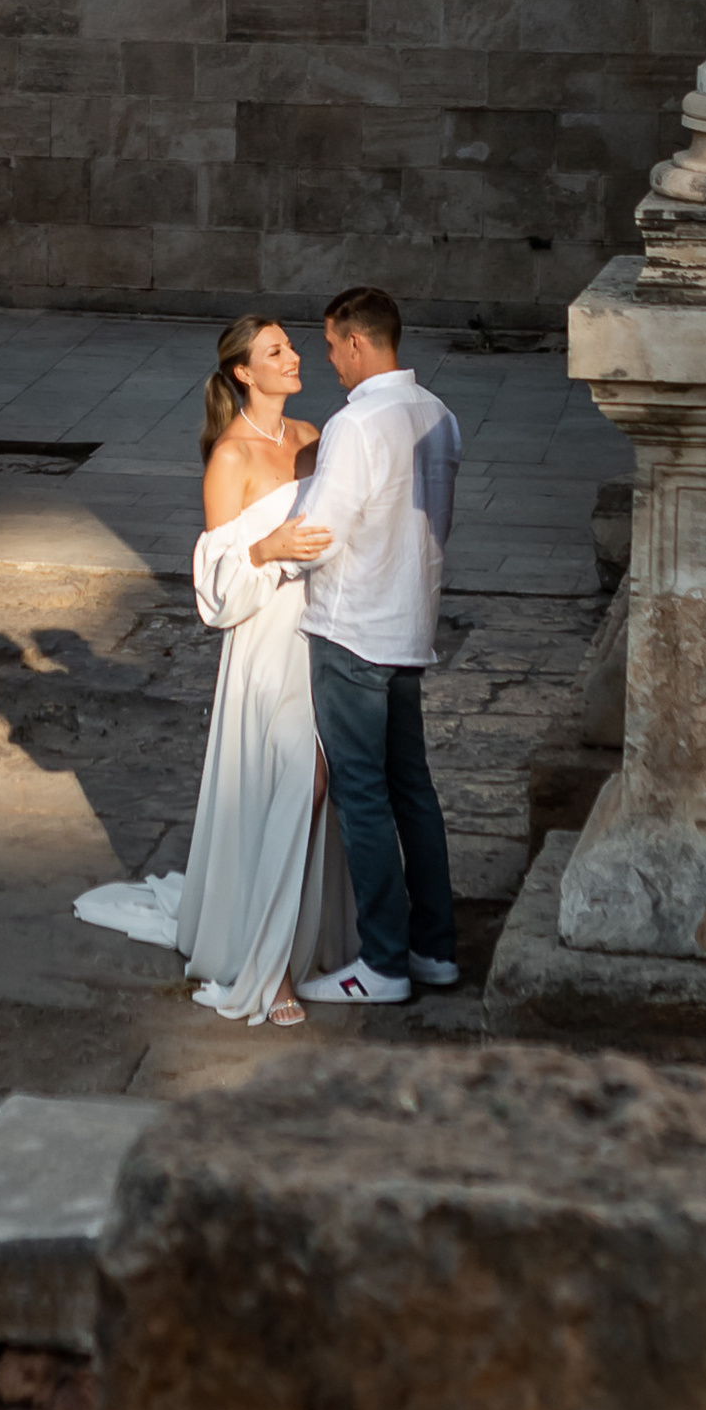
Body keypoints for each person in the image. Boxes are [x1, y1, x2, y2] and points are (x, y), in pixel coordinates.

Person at [73, 315, 356, 1025]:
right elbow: (216, 587)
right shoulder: (230, 458)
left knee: (322, 784)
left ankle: (303, 937)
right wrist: (267, 549)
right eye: (276, 351)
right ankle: (269, 969)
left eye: (291, 346)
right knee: (302, 780)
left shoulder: (314, 436)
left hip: (323, 629)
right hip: (267, 642)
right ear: (243, 373)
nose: (294, 357)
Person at [288, 283, 461, 1007]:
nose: (329, 360)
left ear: (359, 341)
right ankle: (433, 948)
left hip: (353, 627)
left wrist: (271, 557)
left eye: (331, 345)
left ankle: (384, 961)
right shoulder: (440, 416)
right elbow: (438, 524)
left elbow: (317, 533)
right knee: (412, 790)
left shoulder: (354, 426)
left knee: (363, 798)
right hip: (408, 622)